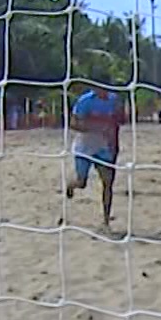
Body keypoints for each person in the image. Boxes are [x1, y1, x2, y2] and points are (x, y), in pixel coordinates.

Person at [64, 85, 127, 230]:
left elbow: (120, 122)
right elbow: (73, 123)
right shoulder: (85, 101)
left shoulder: (114, 100)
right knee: (81, 182)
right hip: (85, 147)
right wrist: (94, 128)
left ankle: (106, 220)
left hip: (104, 147)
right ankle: (71, 185)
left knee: (107, 183)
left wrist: (113, 143)